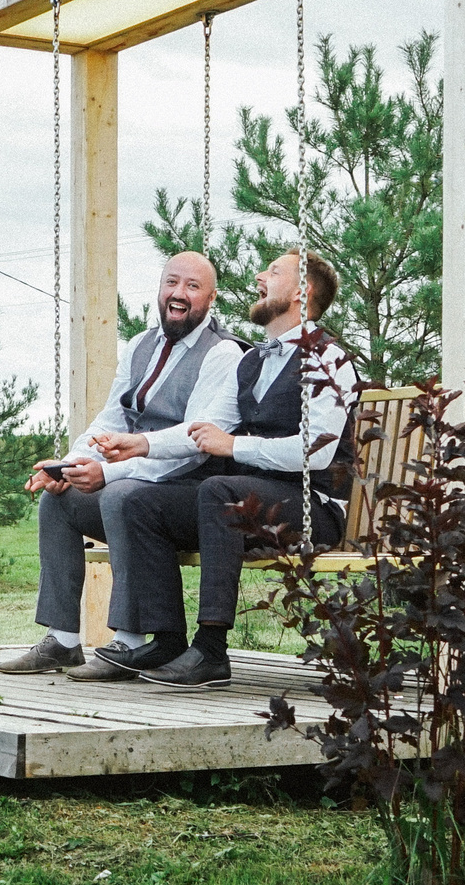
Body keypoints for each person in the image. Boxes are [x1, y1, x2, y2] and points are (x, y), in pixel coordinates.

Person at [96, 250, 359, 688]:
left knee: (218, 488)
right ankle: (167, 639)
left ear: (300, 292)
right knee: (142, 502)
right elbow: (206, 429)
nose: (259, 275)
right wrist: (140, 443)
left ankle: (212, 651)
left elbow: (316, 454)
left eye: (272, 271)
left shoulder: (327, 359)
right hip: (250, 499)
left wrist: (236, 446)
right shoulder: (253, 360)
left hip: (313, 508)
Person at [0, 253, 240, 679]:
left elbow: (196, 443)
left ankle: (127, 643)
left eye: (193, 286)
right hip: (133, 478)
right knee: (59, 502)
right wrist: (69, 466)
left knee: (121, 496)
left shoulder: (222, 354)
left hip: (185, 489)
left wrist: (107, 474)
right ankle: (63, 641)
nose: (179, 294)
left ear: (211, 298)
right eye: (171, 282)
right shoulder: (140, 345)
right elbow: (111, 419)